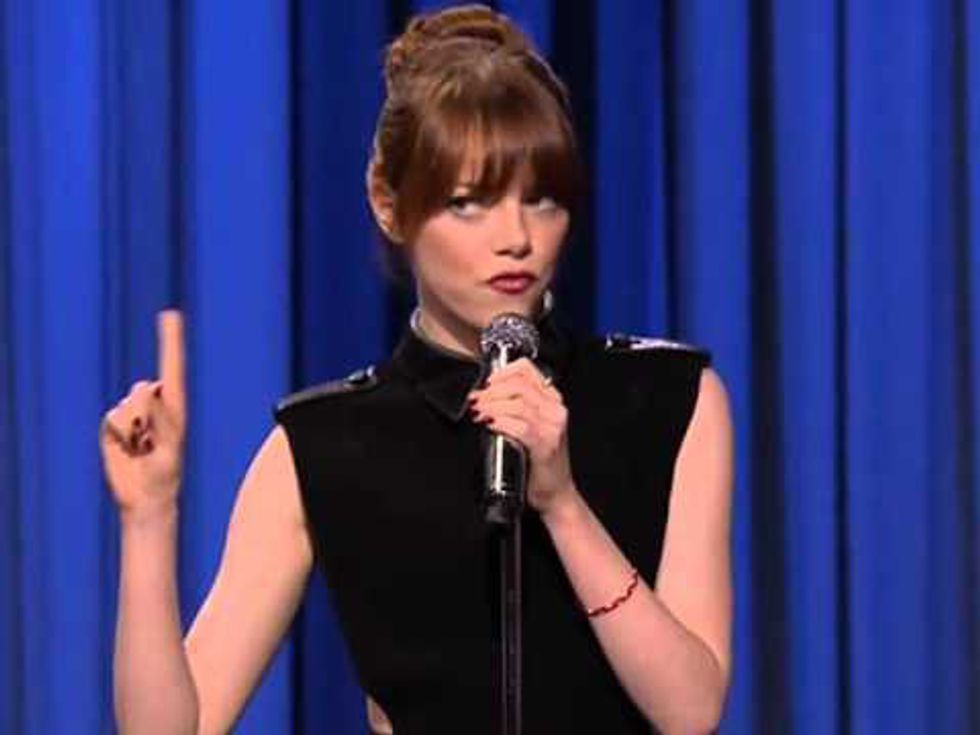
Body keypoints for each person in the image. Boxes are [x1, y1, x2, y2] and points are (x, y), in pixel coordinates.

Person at [100, 4, 733, 733]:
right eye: (469, 204)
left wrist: (562, 503)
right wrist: (148, 519)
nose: (516, 238)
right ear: (388, 204)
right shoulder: (327, 443)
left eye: (541, 199)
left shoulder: (665, 399)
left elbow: (691, 710)